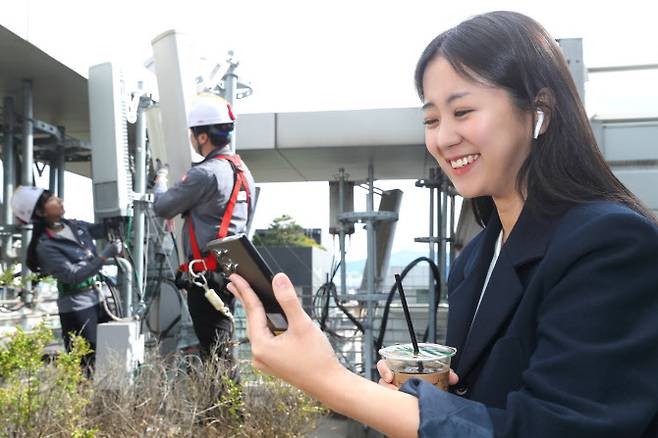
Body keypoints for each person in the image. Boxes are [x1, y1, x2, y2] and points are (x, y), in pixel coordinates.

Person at [227, 11, 658, 438]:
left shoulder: (609, 244)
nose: (444, 138)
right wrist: (420, 401)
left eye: (463, 111)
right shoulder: (477, 256)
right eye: (431, 119)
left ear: (539, 111)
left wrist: (332, 383)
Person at [152, 93, 255, 362]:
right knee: (222, 345)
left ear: (202, 137)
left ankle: (225, 404)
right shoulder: (243, 172)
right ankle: (226, 401)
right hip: (232, 269)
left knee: (217, 354)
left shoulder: (205, 173)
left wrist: (160, 179)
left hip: (206, 276)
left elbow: (163, 207)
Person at [11, 186, 122, 368]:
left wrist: (120, 218)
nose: (60, 200)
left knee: (110, 356)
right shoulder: (45, 246)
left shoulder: (74, 225)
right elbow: (73, 276)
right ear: (40, 212)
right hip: (77, 308)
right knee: (89, 364)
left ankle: (111, 397)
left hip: (98, 299)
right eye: (52, 200)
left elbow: (98, 230)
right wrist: (104, 256)